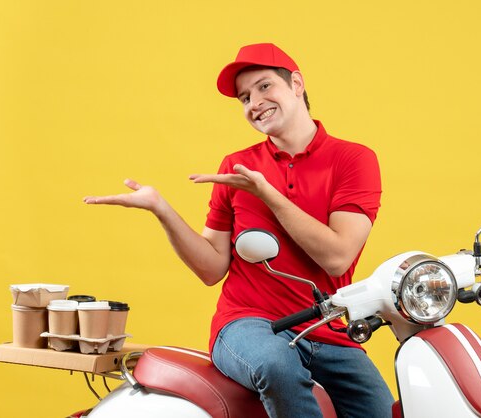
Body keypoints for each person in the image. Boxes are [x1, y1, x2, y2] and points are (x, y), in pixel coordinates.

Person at [84, 43, 394, 418]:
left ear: (296, 84)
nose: (254, 103)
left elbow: (337, 256)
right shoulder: (238, 166)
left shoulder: (353, 159)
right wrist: (161, 209)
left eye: (264, 87)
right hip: (246, 324)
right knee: (276, 365)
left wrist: (267, 193)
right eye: (245, 97)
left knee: (377, 406)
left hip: (325, 328)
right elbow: (212, 269)